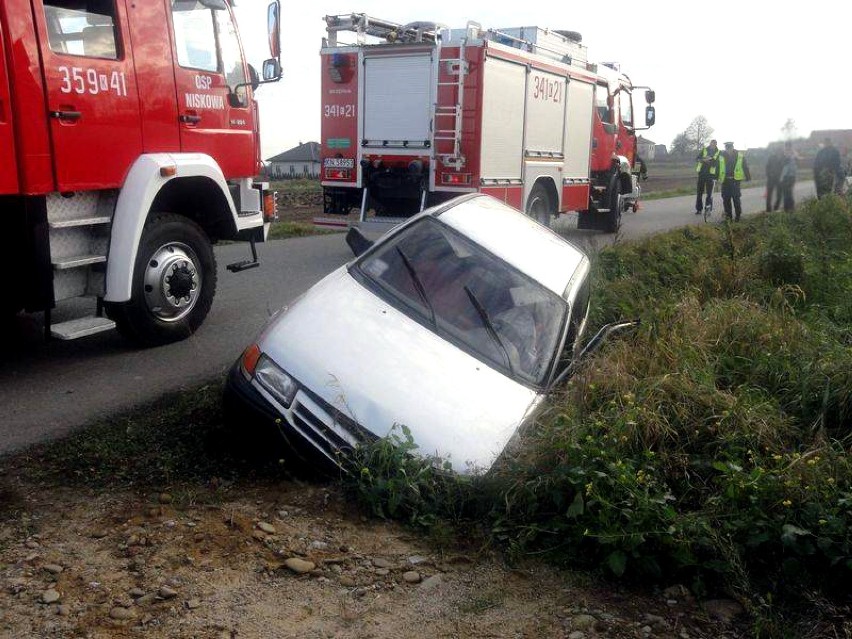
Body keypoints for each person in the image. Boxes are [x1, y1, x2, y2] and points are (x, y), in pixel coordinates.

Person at [718, 141, 751, 221]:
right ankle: (728, 217)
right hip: (725, 181)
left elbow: (745, 166)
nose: (728, 150)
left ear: (733, 147)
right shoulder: (721, 156)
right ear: (725, 148)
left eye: (730, 148)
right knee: (726, 199)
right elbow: (717, 167)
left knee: (736, 199)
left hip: (735, 181)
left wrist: (748, 177)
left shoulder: (740, 155)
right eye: (727, 148)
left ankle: (738, 216)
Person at [694, 139, 720, 214]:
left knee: (710, 194)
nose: (712, 145)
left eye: (714, 144)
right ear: (710, 144)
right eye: (711, 144)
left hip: (711, 176)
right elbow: (697, 158)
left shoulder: (718, 152)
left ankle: (708, 209)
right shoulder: (704, 150)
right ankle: (699, 209)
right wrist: (703, 160)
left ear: (716, 145)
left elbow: (717, 164)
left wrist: (710, 162)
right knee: (699, 193)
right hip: (702, 174)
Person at [779, 141, 798, 212]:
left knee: (788, 193)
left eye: (787, 146)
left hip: (789, 176)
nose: (786, 148)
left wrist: (782, 177)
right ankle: (789, 208)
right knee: (787, 193)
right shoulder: (790, 154)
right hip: (788, 176)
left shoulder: (790, 155)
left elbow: (786, 167)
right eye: (785, 146)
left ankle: (789, 208)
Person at [764, 146, 785, 212]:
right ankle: (768, 209)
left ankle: (776, 207)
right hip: (771, 179)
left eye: (780, 151)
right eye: (778, 151)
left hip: (780, 180)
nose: (779, 152)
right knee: (769, 195)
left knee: (779, 195)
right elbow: (767, 167)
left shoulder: (785, 158)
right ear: (776, 152)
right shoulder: (772, 157)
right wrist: (769, 175)